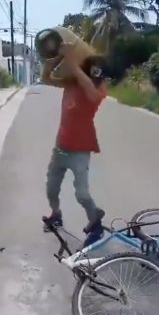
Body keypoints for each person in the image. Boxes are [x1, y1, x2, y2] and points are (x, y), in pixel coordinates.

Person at [41, 45, 108, 247]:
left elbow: (91, 92)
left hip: (80, 150)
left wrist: (73, 65)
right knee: (51, 188)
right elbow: (46, 79)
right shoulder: (70, 83)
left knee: (82, 193)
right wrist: (53, 61)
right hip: (60, 147)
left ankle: (95, 222)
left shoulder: (98, 89)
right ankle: (56, 214)